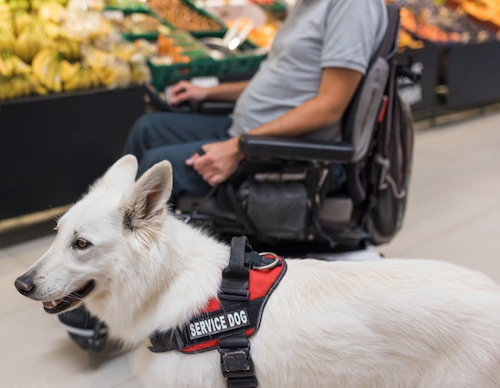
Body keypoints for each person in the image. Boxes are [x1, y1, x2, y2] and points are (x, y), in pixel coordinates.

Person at [57, 0, 389, 349]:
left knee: (157, 162)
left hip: (279, 152)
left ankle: (95, 283)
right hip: (247, 131)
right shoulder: (308, 5)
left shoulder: (352, 6)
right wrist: (213, 92)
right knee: (147, 129)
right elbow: (279, 79)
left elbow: (330, 105)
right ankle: (107, 258)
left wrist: (241, 147)